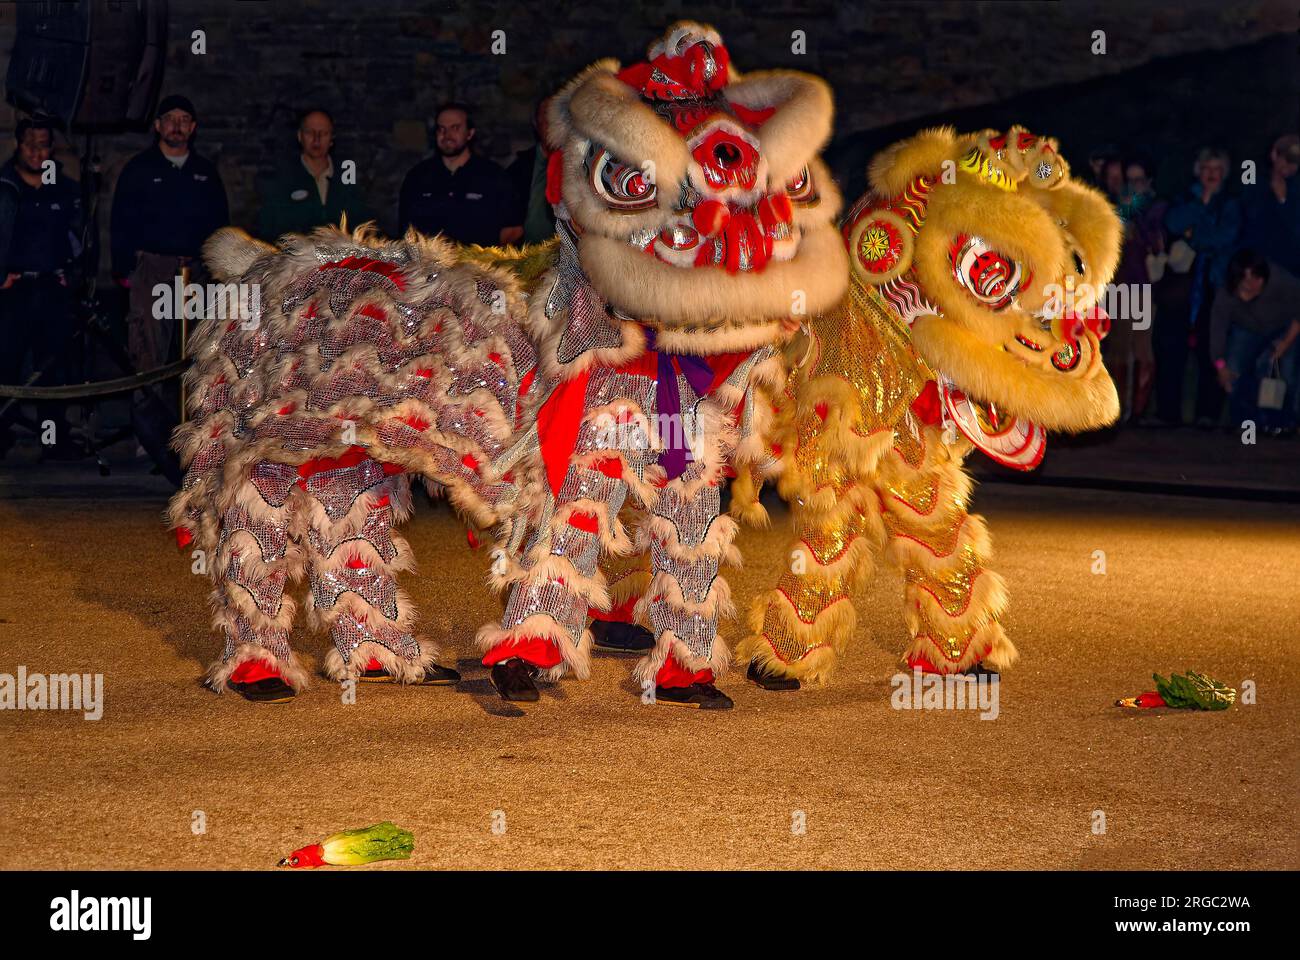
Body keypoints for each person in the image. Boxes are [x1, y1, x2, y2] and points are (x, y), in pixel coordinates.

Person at [110, 94, 228, 482]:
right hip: (153, 269)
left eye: (185, 119)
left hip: (194, 270)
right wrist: (125, 270)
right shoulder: (140, 170)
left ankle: (191, 438)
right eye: (170, 119)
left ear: (193, 127)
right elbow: (121, 222)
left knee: (192, 352)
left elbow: (219, 224)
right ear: (158, 125)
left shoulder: (204, 173)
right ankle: (150, 435)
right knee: (150, 349)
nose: (177, 126)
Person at [0, 117, 82, 459]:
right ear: (18, 145)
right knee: (6, 365)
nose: (37, 151)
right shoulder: (4, 186)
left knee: (51, 368)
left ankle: (53, 441)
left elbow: (79, 237)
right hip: (11, 292)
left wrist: (71, 274)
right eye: (30, 143)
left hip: (51, 289)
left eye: (44, 144)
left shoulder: (63, 188)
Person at [1156, 147, 1241, 426]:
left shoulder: (1229, 203)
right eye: (1207, 168)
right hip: (1181, 285)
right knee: (1171, 347)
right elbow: (1173, 222)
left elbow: (1225, 237)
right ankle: (1168, 414)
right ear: (1198, 170)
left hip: (1215, 285)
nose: (1211, 175)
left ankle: (1208, 414)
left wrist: (1194, 234)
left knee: (1211, 350)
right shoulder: (1185, 197)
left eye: (1217, 169)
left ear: (1225, 173)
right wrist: (1197, 211)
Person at [397, 103, 521, 246]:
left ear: (470, 133)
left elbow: (513, 230)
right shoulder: (417, 177)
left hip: (477, 266)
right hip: (428, 266)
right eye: (441, 129)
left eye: (455, 128)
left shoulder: (493, 176)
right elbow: (404, 232)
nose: (447, 135)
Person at [1211, 250, 1300, 435]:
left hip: (1284, 326)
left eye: (1256, 279)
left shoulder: (1280, 280)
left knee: (1285, 371)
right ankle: (1245, 422)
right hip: (1247, 329)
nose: (1252, 285)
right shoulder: (1226, 294)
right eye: (1245, 280)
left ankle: (1285, 422)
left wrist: (1285, 343)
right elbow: (1217, 330)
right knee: (1233, 367)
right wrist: (1220, 366)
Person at [1107, 153, 1167, 422]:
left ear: (1150, 181)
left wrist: (1137, 227)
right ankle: (1118, 410)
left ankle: (1138, 412)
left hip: (1143, 288)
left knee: (1142, 347)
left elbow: (1159, 240)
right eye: (1128, 181)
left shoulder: (1158, 208)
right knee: (1119, 347)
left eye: (1139, 180)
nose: (1134, 186)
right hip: (1118, 287)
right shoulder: (1117, 208)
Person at [257, 108, 370, 240]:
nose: (317, 139)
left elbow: (360, 219)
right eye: (310, 132)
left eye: (324, 133)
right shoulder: (284, 177)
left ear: (332, 138)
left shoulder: (347, 173)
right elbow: (270, 227)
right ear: (300, 136)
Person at [1240, 134, 1300, 274]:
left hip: (1290, 268)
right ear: (1274, 155)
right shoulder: (1253, 178)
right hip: (1257, 265)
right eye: (1288, 159)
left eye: (1296, 162)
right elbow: (1248, 218)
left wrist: (1283, 200)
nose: (1292, 166)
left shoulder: (1296, 187)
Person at [506, 97, 557, 245]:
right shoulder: (519, 168)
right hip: (525, 256)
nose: (551, 123)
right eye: (546, 116)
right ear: (536, 123)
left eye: (557, 117)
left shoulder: (578, 165)